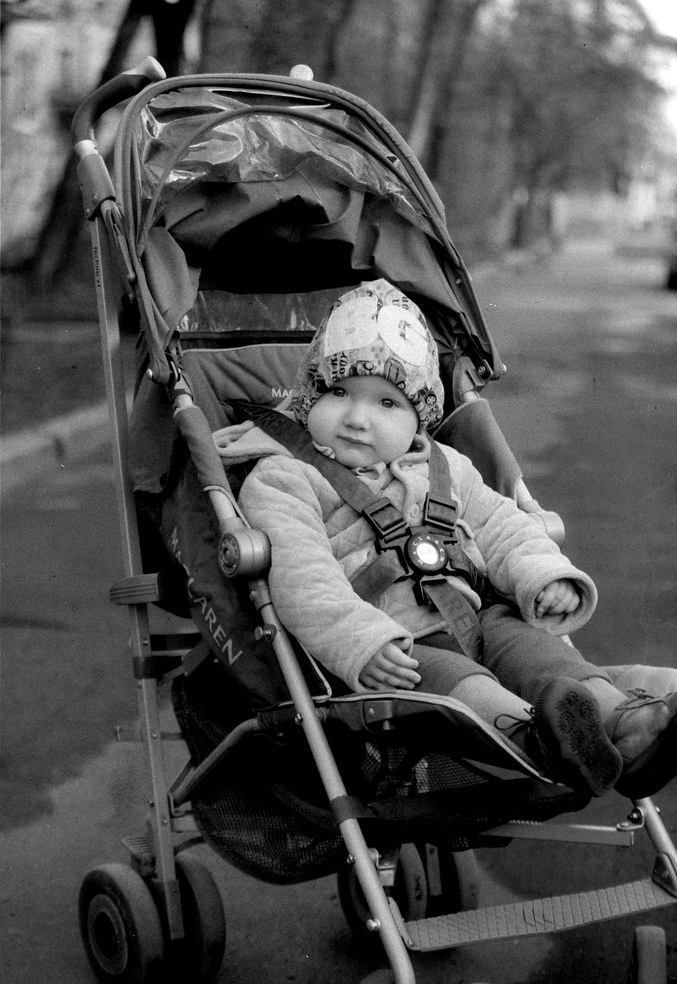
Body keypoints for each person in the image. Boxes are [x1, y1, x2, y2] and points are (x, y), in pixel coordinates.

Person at [214, 279, 677, 798]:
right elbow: (305, 580)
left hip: (480, 617)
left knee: (544, 656)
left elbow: (503, 526)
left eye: (387, 403)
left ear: (419, 416)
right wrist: (361, 643)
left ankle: (625, 724)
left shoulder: (444, 466)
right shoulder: (283, 478)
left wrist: (544, 576)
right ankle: (543, 740)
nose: (357, 419)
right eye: (337, 392)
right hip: (398, 647)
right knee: (462, 687)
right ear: (307, 397)